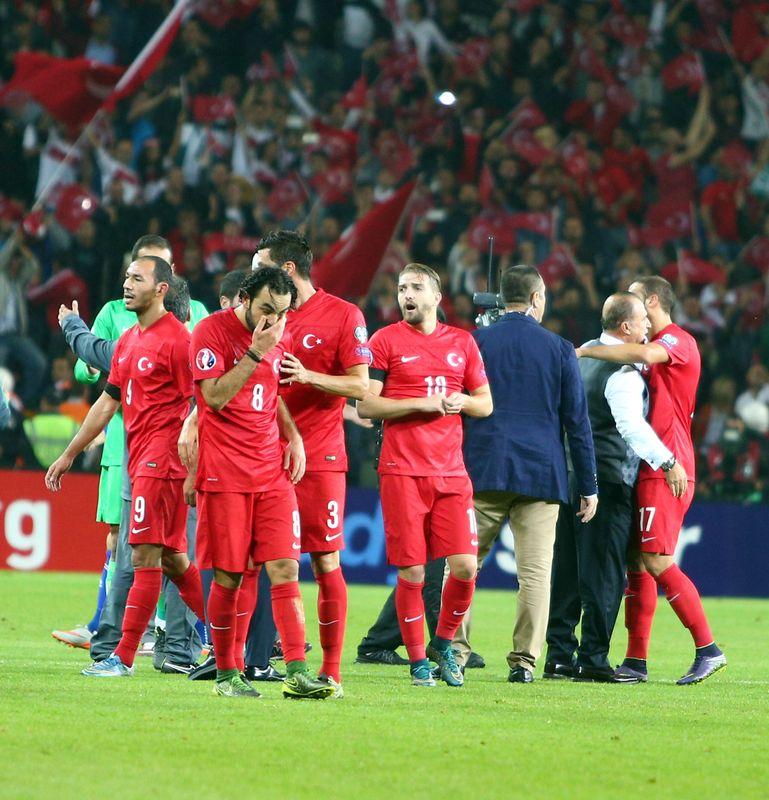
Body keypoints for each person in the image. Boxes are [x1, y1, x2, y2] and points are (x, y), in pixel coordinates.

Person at [46, 256, 205, 677]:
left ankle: (123, 657)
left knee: (144, 555)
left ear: (161, 290)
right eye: (127, 277)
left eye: (138, 278)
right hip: (142, 460)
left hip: (163, 463)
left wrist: (194, 468)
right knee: (171, 558)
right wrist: (70, 453)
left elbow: (204, 404)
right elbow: (107, 401)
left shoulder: (178, 341)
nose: (127, 284)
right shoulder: (131, 340)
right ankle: (230, 636)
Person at [189, 267, 332, 699]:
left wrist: (293, 436)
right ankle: (227, 673)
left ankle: (297, 670)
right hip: (225, 473)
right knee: (231, 575)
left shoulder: (276, 334)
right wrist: (253, 352)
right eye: (267, 310)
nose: (273, 321)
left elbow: (270, 394)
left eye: (283, 313)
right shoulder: (210, 333)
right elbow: (213, 397)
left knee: (286, 566)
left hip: (271, 471)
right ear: (245, 298)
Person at [577, 276, 726, 685]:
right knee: (636, 564)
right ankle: (635, 660)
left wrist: (586, 350)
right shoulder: (643, 353)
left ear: (654, 301)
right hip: (644, 466)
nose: (633, 308)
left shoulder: (678, 341)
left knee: (657, 560)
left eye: (637, 300)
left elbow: (637, 351)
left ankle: (708, 648)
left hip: (669, 463)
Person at [456, 264, 597, 683]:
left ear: (502, 299)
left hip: (481, 469)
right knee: (535, 574)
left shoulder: (474, 342)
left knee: (462, 565)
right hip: (541, 474)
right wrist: (587, 484)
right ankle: (523, 663)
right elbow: (577, 422)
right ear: (537, 298)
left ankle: (455, 652)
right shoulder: (559, 348)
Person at [357, 263, 492, 688]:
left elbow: (485, 403)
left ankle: (445, 647)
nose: (406, 295)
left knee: (466, 567)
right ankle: (418, 662)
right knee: (413, 573)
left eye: (416, 287)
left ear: (436, 296)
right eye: (401, 288)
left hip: (452, 473)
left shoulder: (463, 344)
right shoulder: (385, 341)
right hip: (402, 473)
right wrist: (421, 403)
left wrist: (460, 402)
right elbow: (367, 406)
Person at [252, 229, 371, 698]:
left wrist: (307, 376)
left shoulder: (343, 315)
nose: (252, 273)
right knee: (257, 562)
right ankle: (249, 660)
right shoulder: (261, 316)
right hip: (261, 455)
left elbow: (361, 387)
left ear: (286, 269)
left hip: (319, 458)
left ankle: (331, 671)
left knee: (324, 561)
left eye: (260, 264)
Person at [545, 292, 688, 682]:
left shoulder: (582, 354)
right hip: (606, 480)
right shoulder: (622, 372)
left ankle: (558, 655)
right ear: (625, 327)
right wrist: (668, 461)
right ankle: (592, 659)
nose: (647, 328)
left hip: (569, 476)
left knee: (567, 572)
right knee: (604, 575)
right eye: (642, 320)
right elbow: (629, 427)